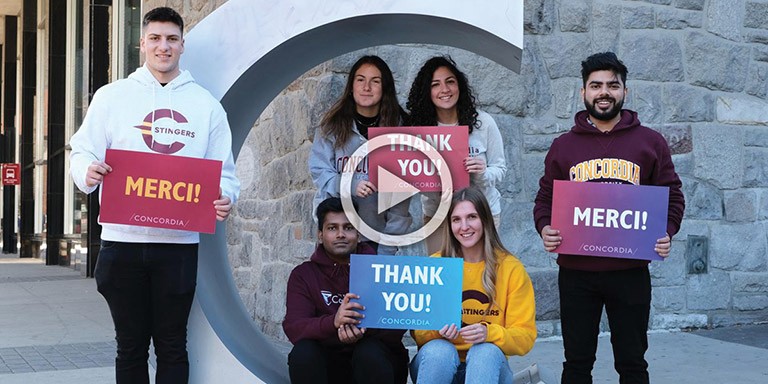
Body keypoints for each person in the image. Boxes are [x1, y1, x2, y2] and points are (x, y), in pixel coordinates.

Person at [69, 7, 240, 384]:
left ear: (182, 45)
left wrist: (224, 196)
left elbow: (224, 173)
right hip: (121, 243)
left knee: (173, 344)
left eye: (172, 39)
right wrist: (87, 170)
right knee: (129, 346)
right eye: (156, 38)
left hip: (177, 245)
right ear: (142, 43)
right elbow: (81, 151)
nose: (164, 46)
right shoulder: (112, 97)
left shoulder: (206, 106)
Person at [533, 52, 685, 384]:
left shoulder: (650, 142)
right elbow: (545, 198)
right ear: (584, 92)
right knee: (576, 363)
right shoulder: (563, 146)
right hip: (576, 273)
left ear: (624, 92)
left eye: (612, 85)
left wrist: (666, 230)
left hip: (630, 272)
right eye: (596, 85)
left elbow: (672, 194)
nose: (605, 92)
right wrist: (545, 227)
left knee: (632, 363)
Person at [411, 187, 536, 384]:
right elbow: (418, 334)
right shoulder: (435, 265)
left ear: (485, 220)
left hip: (488, 369)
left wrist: (489, 333)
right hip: (440, 365)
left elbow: (525, 337)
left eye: (472, 217)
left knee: (484, 351)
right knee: (439, 351)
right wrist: (438, 332)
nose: (464, 226)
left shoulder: (510, 268)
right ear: (449, 225)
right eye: (456, 220)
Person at [282, 197, 409, 384]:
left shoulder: (383, 270)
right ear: (320, 235)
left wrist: (362, 329)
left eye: (348, 227)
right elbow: (295, 328)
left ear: (358, 233)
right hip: (328, 366)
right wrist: (333, 322)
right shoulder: (303, 275)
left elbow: (397, 327)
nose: (341, 234)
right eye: (332, 228)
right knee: (304, 352)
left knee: (369, 351)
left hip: (376, 363)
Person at [309, 55, 411, 255]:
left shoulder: (400, 132)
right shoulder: (331, 126)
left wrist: (386, 250)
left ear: (385, 88)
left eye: (375, 81)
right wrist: (350, 184)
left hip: (374, 238)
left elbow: (401, 200)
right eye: (361, 80)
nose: (367, 87)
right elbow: (320, 172)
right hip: (336, 234)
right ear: (352, 86)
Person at [406, 56, 507, 254]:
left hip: (481, 215)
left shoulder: (483, 123)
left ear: (459, 85)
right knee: (443, 280)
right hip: (437, 217)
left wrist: (483, 173)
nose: (445, 89)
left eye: (450, 81)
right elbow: (409, 179)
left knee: (480, 278)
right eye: (436, 84)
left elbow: (500, 169)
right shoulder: (418, 132)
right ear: (427, 92)